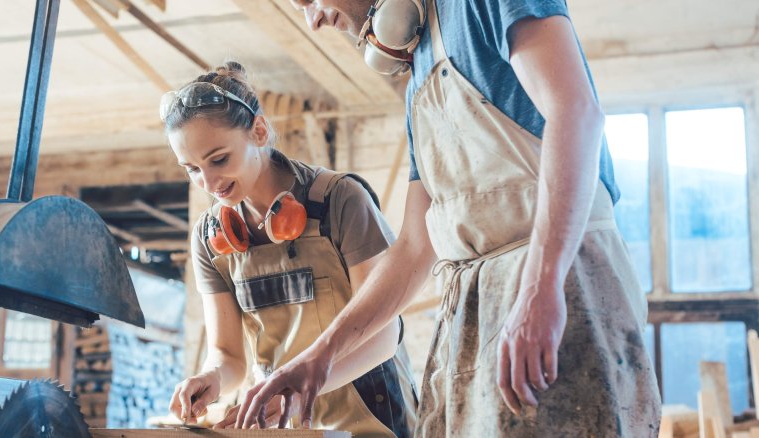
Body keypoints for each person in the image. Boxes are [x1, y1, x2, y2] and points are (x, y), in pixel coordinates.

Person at [235, 1, 662, 436]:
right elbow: (416, 248)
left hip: (556, 279)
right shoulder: (420, 68)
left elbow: (576, 112)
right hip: (475, 305)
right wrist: (317, 357)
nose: (314, 20)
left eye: (309, 1)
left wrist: (540, 287)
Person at [163, 61, 418, 437]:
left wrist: (293, 395)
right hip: (277, 421)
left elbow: (382, 336)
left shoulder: (339, 200)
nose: (209, 182)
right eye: (192, 169)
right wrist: (212, 377)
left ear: (260, 131)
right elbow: (230, 356)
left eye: (219, 159)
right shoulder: (209, 238)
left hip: (367, 418)